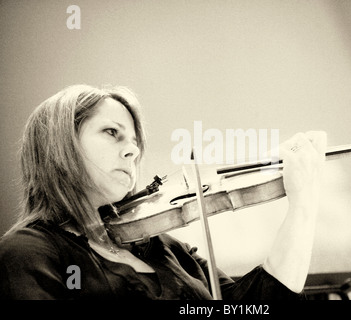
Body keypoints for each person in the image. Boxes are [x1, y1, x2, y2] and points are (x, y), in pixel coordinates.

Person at [0, 84, 327, 300]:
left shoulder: (165, 247)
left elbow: (261, 302)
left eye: (134, 141)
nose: (132, 151)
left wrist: (304, 203)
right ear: (58, 145)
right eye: (112, 133)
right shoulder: (28, 252)